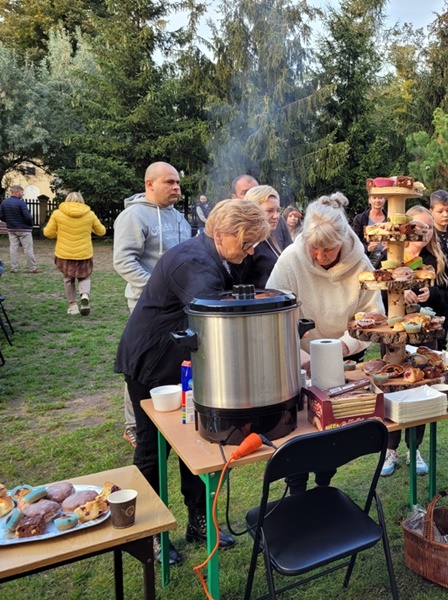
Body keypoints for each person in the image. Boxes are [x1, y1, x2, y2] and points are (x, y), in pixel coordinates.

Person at [115, 199, 268, 565]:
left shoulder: (215, 253)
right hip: (153, 364)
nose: (248, 253)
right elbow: (217, 316)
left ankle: (199, 522)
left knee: (196, 443)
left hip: (184, 363)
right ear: (221, 233)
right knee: (153, 452)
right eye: (245, 244)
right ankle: (148, 535)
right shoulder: (195, 264)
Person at [267, 192, 384, 495]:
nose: (320, 256)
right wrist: (296, 355)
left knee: (332, 433)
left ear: (343, 240)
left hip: (343, 362)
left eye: (328, 250)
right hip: (299, 361)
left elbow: (374, 315)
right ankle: (296, 492)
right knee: (298, 434)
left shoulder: (360, 264)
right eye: (314, 248)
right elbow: (271, 317)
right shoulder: (291, 261)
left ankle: (322, 487)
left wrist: (344, 346)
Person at [113, 162, 192, 448]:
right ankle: (134, 423)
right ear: (149, 184)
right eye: (169, 182)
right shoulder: (133, 216)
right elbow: (123, 260)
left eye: (178, 183)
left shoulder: (180, 220)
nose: (176, 188)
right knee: (140, 363)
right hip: (145, 307)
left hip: (176, 308)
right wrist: (156, 291)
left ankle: (166, 412)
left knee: (168, 361)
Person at [381, 205, 448, 478]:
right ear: (406, 228)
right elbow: (378, 293)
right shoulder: (391, 257)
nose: (423, 235)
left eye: (428, 229)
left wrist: (429, 295)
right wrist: (400, 294)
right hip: (393, 334)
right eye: (418, 228)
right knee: (393, 387)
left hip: (424, 336)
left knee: (419, 386)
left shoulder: (436, 259)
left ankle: (414, 447)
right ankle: (390, 448)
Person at [42, 191, 106, 315]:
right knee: (85, 276)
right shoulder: (90, 214)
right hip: (84, 253)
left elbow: (48, 233)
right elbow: (101, 231)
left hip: (64, 253)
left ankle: (73, 305)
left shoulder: (57, 214)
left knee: (68, 278)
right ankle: (85, 295)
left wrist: (58, 234)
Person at [239, 185, 284, 286]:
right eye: (270, 210)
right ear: (253, 211)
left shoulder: (268, 237)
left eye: (278, 210)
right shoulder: (247, 243)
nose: (276, 216)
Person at [0, 185, 39, 273]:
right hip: (24, 229)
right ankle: (32, 268)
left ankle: (14, 268)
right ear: (17, 192)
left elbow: (1, 216)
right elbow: (28, 216)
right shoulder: (21, 203)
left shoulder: (4, 203)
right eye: (22, 192)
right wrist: (30, 224)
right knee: (28, 249)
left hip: (11, 229)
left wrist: (9, 221)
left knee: (13, 248)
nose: (23, 194)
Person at [351, 193, 388, 268]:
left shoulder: (390, 219)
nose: (377, 201)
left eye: (380, 197)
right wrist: (367, 248)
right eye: (374, 198)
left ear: (385, 200)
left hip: (385, 260)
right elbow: (354, 241)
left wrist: (389, 246)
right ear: (369, 200)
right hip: (365, 260)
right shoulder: (360, 219)